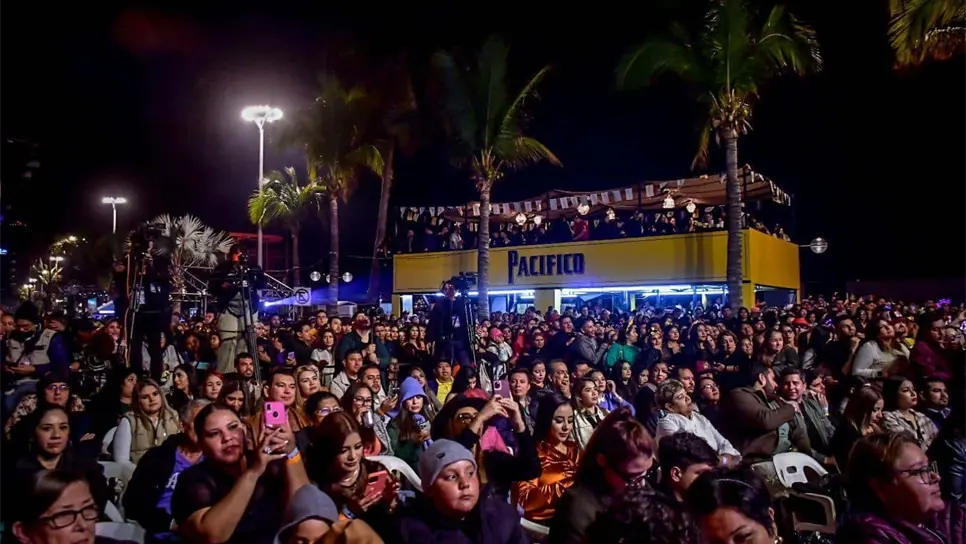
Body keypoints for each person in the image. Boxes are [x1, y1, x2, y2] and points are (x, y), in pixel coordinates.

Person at [838, 432, 964, 543]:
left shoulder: (950, 516)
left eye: (929, 467)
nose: (936, 477)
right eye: (919, 471)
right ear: (881, 487)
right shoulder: (869, 536)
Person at [394, 439, 527, 543]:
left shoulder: (502, 516)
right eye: (451, 477)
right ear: (429, 488)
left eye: (470, 473)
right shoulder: (413, 531)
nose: (465, 483)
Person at [210, 244, 265, 374]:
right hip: (228, 307)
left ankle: (245, 373)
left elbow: (262, 284)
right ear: (231, 254)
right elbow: (212, 287)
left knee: (246, 341)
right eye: (237, 253)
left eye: (243, 253)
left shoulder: (253, 268)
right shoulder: (223, 268)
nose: (240, 255)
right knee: (228, 341)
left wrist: (253, 276)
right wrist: (224, 286)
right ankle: (226, 374)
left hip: (249, 307)